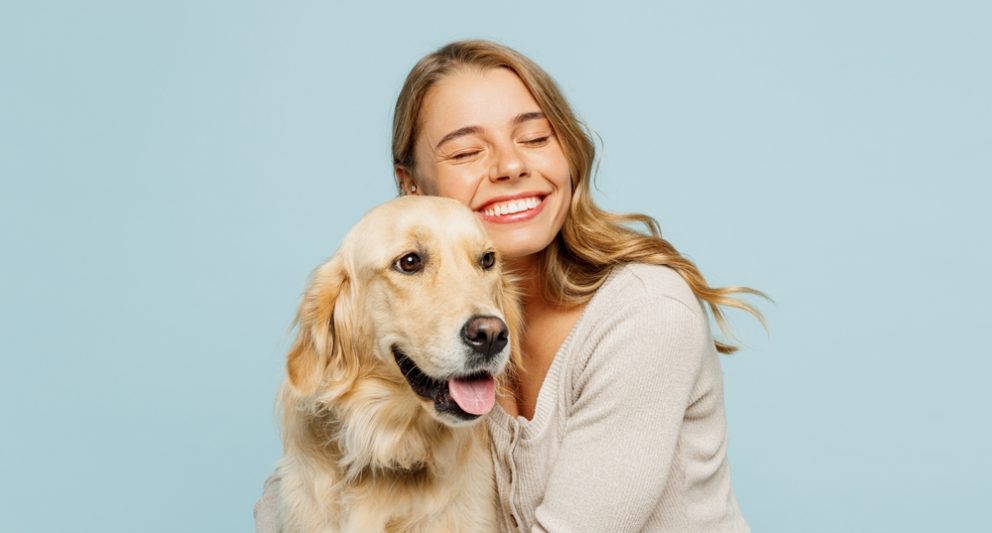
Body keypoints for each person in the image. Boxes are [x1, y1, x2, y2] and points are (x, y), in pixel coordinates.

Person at [255, 39, 764, 533]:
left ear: (567, 152)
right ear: (411, 185)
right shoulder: (417, 356)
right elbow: (286, 493)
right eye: (466, 152)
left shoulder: (646, 316)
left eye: (536, 138)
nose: (511, 166)